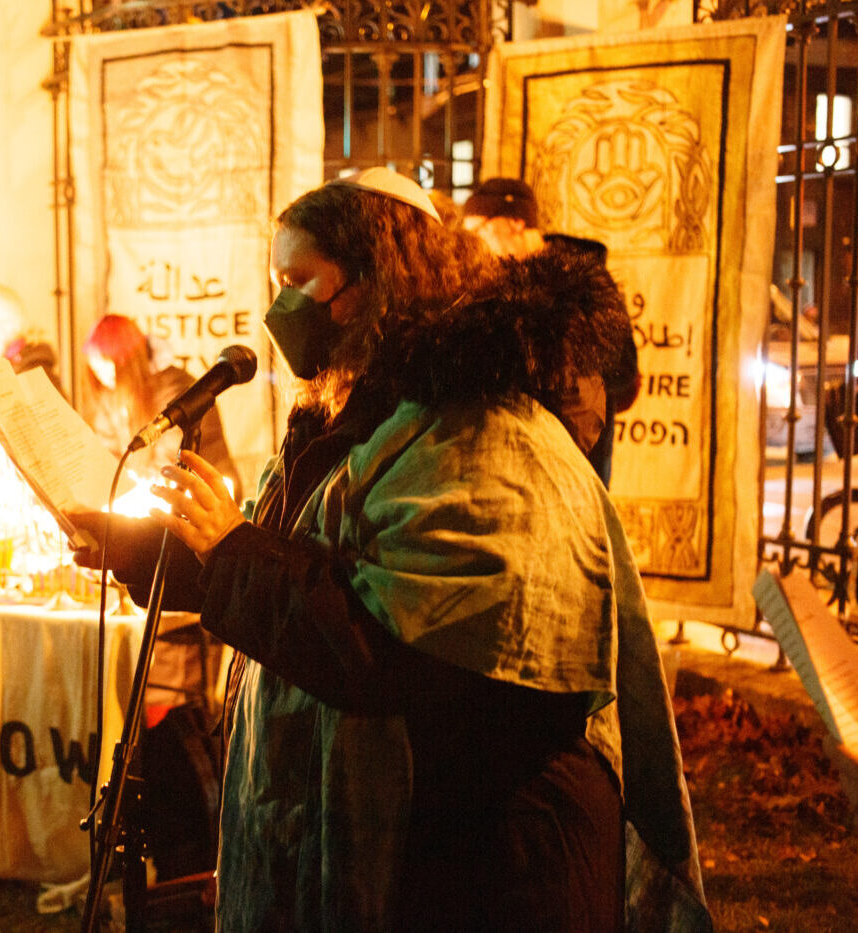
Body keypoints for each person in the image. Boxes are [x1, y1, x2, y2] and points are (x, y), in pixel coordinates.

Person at [72, 167, 709, 930]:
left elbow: (385, 644)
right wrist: (137, 551)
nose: (281, 304)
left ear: (374, 277)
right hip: (409, 844)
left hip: (490, 862)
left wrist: (234, 551)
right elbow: (292, 560)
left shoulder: (478, 425)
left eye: (298, 279)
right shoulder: (351, 411)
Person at [461, 176, 641, 486]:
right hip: (509, 469)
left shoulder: (582, 282)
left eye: (480, 230)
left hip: (576, 470)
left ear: (516, 222)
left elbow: (622, 370)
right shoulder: (488, 286)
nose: (477, 244)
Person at [80, 313, 240, 494]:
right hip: (163, 494)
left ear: (125, 360)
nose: (100, 373)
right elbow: (108, 455)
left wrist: (133, 492)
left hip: (209, 493)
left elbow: (171, 461)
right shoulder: (110, 395)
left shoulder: (177, 389)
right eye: (94, 365)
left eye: (104, 362)